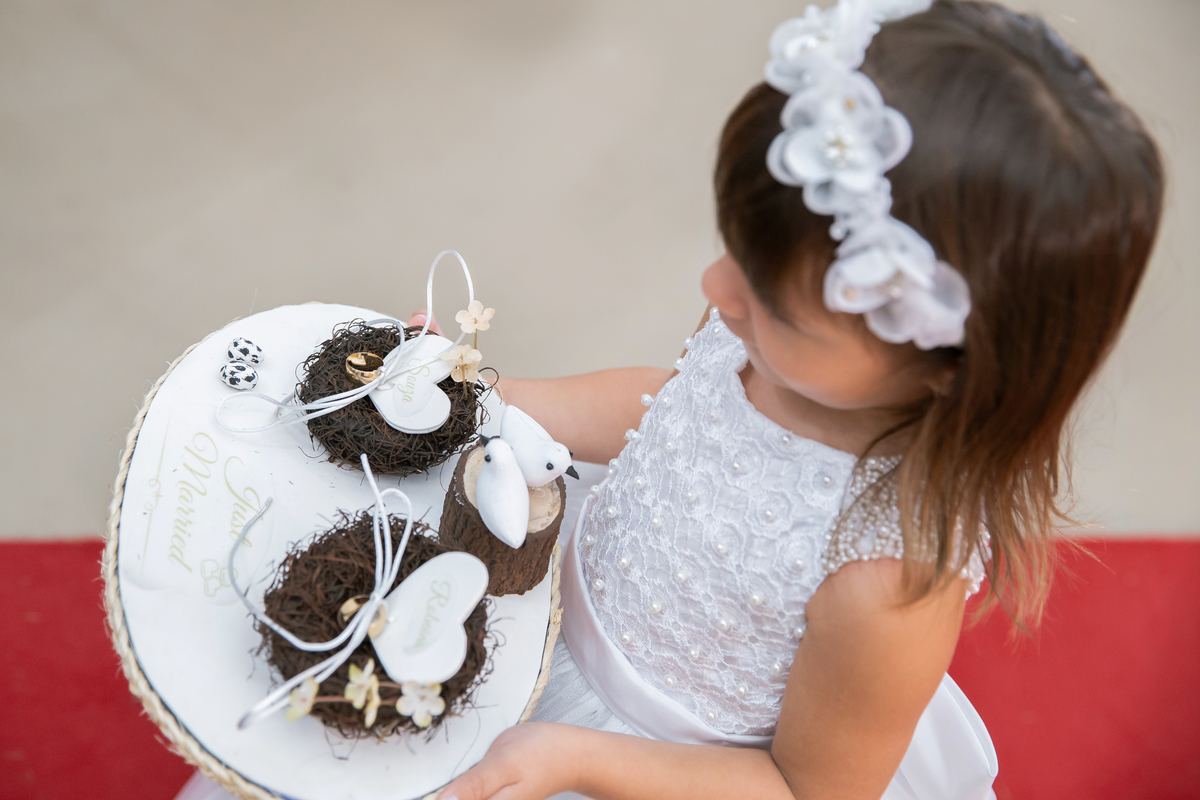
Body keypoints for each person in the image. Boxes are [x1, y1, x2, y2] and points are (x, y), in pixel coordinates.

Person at [176, 2, 1163, 799]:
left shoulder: (887, 577)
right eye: (736, 254)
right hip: (544, 616)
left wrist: (574, 757)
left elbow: (803, 784)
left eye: (770, 303)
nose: (714, 289)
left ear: (951, 365)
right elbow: (668, 417)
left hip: (656, 765)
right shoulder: (753, 334)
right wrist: (494, 400)